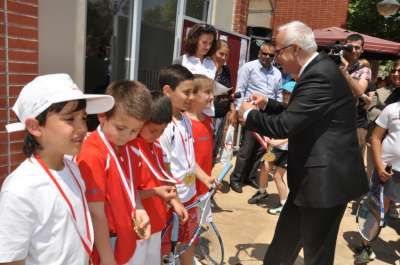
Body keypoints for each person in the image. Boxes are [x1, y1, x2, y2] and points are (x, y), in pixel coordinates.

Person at [239, 21, 369, 265]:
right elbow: (302, 114)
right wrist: (269, 103)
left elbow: (286, 125)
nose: (277, 59)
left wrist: (248, 115)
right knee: (282, 248)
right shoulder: (318, 70)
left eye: (278, 52)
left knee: (317, 255)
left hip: (324, 185)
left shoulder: (319, 74)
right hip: (310, 183)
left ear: (295, 49)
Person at [0, 74, 114, 264]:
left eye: (84, 118)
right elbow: (10, 259)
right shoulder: (20, 189)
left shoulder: (71, 167)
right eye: (70, 119)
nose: (82, 127)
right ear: (35, 127)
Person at [76, 80, 152, 265]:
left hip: (127, 242)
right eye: (121, 128)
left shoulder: (128, 147)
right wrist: (107, 258)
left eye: (135, 130)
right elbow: (96, 214)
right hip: (108, 249)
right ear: (102, 116)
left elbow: (131, 186)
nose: (127, 135)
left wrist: (139, 207)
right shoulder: (92, 153)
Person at [158, 65, 215, 265]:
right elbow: (162, 171)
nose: (190, 98)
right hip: (171, 203)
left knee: (188, 241)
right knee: (165, 248)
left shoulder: (185, 120)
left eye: (193, 92)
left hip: (189, 197)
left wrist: (204, 177)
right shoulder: (163, 127)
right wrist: (174, 200)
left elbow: (189, 162)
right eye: (186, 92)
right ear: (167, 91)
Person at [129, 91, 188, 265]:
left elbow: (163, 177)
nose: (157, 135)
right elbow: (127, 193)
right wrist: (155, 192)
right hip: (138, 226)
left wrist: (175, 201)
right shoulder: (130, 148)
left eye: (162, 131)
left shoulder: (155, 147)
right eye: (153, 130)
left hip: (156, 222)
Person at [230, 42, 282, 193]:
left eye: (270, 55)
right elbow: (240, 90)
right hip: (251, 112)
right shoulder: (249, 67)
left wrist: (277, 114)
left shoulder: (277, 73)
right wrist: (241, 112)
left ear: (274, 57)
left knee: (261, 149)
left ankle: (250, 177)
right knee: (247, 148)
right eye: (264, 53)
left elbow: (278, 95)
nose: (267, 57)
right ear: (259, 53)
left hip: (269, 114)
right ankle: (236, 179)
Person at [354, 96, 400, 263]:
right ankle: (365, 247)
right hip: (387, 170)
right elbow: (375, 138)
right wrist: (379, 167)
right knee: (376, 209)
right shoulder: (391, 109)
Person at [248, 81, 294, 215]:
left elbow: (295, 134)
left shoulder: (297, 111)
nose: (285, 95)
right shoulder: (281, 108)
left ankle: (284, 205)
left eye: (288, 93)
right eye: (284, 92)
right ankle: (262, 192)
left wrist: (277, 142)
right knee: (264, 166)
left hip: (289, 151)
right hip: (276, 149)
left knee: (277, 177)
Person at [340, 34, 372, 161]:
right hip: (335, 118)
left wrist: (345, 73)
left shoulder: (364, 69)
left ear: (362, 50)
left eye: (357, 47)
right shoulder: (336, 62)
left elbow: (359, 90)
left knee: (354, 160)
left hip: (355, 122)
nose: (353, 50)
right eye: (350, 47)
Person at [211, 39, 234, 162]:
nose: (224, 57)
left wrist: (232, 108)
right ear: (214, 52)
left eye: (226, 55)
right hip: (207, 113)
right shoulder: (206, 67)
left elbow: (229, 90)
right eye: (221, 54)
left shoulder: (226, 70)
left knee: (216, 147)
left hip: (221, 114)